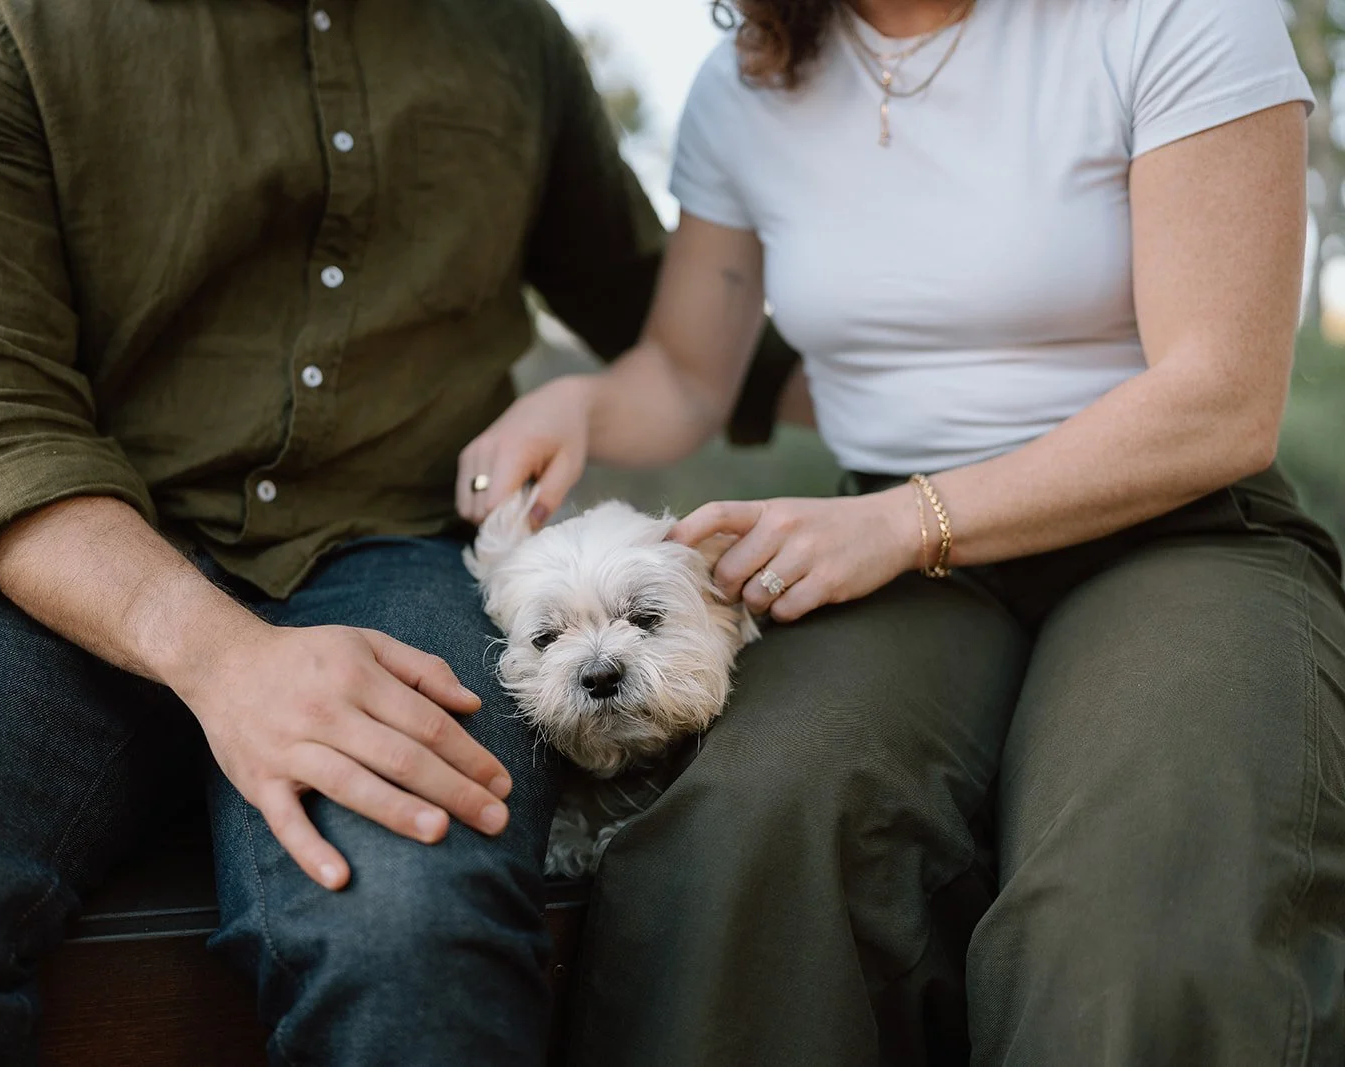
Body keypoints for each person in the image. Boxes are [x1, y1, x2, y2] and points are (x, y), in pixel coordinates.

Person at [0, 1, 799, 1064]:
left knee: (416, 935)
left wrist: (913, 406)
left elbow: (644, 296)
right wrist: (219, 656)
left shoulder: (509, 33)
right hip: (68, 557)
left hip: (391, 548)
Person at [461, 0, 1345, 1063]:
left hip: (1178, 530)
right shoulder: (743, 80)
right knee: (752, 828)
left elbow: (1221, 398)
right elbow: (691, 370)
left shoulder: (1174, 16)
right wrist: (584, 408)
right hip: (894, 554)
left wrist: (907, 518)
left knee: (1141, 898)